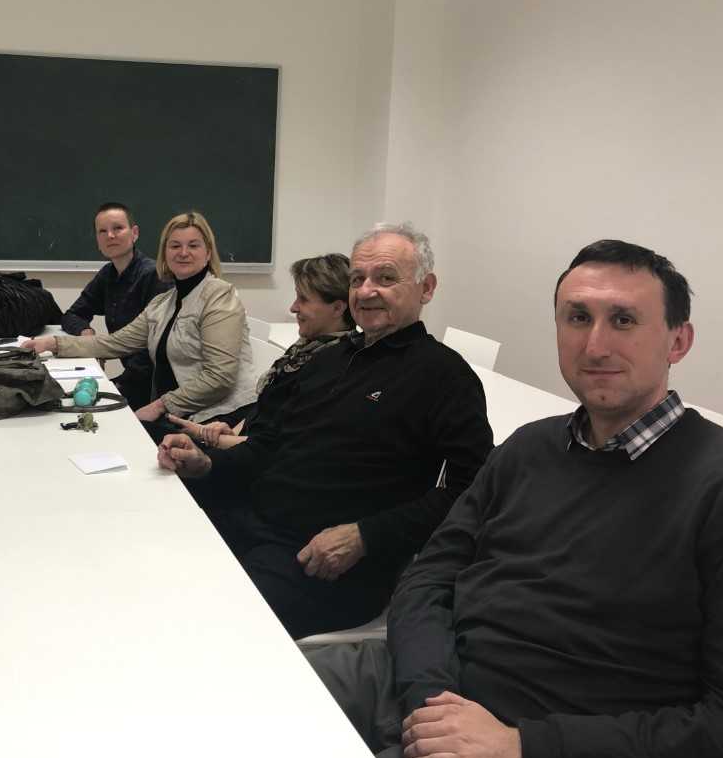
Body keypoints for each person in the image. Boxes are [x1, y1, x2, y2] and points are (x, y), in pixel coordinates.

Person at [308, 239, 723, 758]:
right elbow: (429, 577)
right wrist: (432, 698)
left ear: (678, 341)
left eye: (623, 320)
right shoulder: (528, 448)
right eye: (578, 318)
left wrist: (520, 746)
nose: (595, 346)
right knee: (258, 688)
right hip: (423, 686)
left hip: (547, 742)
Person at [157, 223, 492, 639]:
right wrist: (207, 463)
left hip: (325, 562)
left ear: (426, 288)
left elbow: (474, 490)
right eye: (357, 279)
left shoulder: (446, 376)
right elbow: (270, 444)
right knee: (153, 560)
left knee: (193, 623)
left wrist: (366, 536)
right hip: (255, 521)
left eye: (385, 278)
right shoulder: (328, 360)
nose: (366, 291)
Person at [23, 210, 257, 428]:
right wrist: (53, 344)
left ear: (208, 253)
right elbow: (115, 343)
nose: (183, 252)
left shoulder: (220, 297)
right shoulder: (163, 303)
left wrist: (159, 406)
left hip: (217, 418)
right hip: (177, 411)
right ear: (165, 253)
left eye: (193, 245)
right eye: (175, 245)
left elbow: (219, 377)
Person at [169, 252, 355, 450]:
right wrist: (229, 432)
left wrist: (208, 438)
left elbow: (278, 444)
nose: (293, 308)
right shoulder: (305, 349)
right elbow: (263, 409)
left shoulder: (332, 368)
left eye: (303, 299)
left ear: (337, 308)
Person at [59, 202, 170, 410]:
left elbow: (154, 349)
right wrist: (85, 332)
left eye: (118, 228)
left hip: (156, 389)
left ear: (134, 233)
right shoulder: (107, 274)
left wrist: (119, 385)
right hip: (133, 378)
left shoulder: (153, 276)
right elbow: (72, 314)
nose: (110, 235)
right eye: (102, 231)